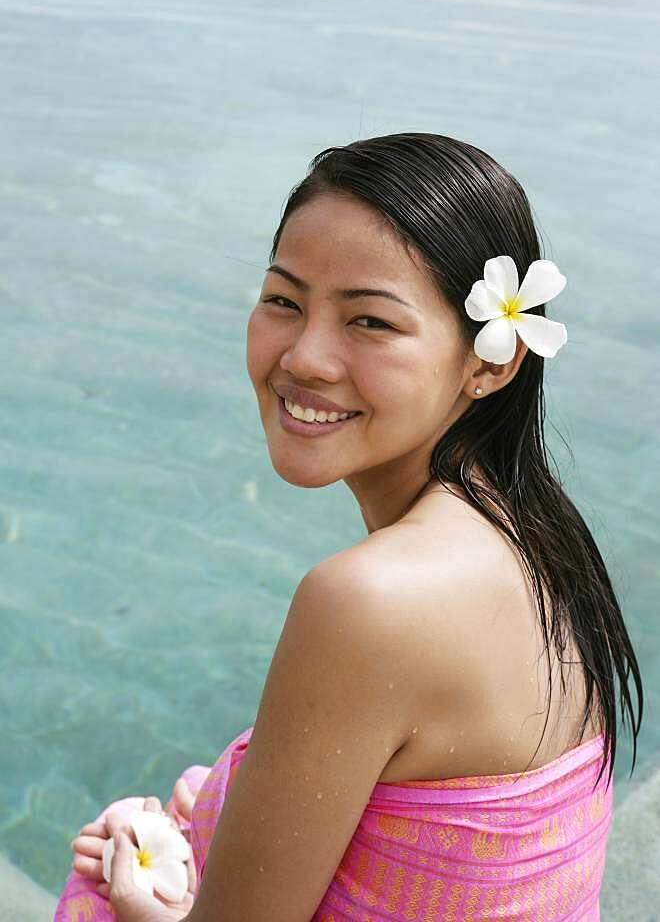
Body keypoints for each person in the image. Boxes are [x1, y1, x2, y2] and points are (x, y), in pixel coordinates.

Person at [56, 133, 643, 922]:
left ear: (490, 364)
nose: (305, 357)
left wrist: (139, 902)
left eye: (370, 322)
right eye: (283, 300)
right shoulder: (537, 533)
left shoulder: (369, 600)